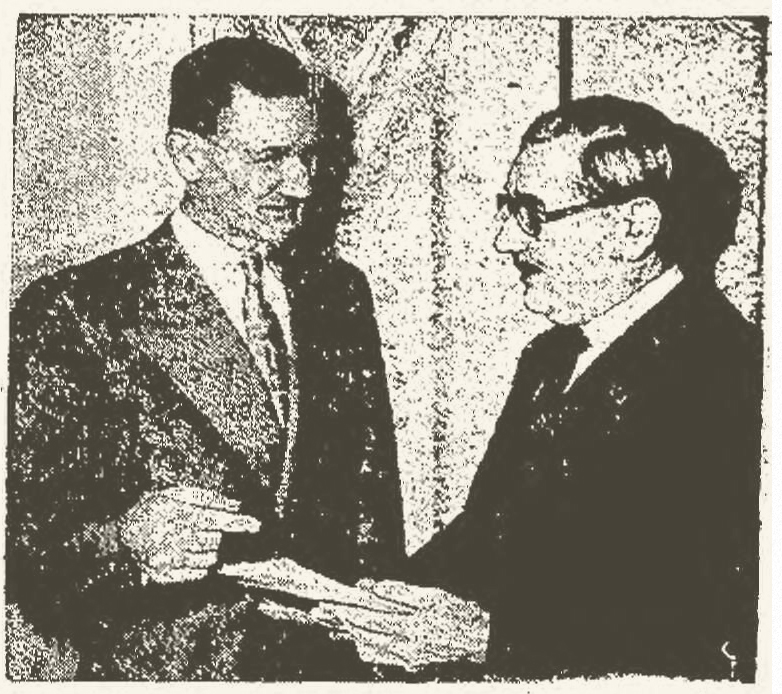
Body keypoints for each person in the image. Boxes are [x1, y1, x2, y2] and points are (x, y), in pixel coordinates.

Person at [318, 95, 763, 682]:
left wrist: (486, 638)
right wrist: (374, 601)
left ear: (634, 227)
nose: (505, 241)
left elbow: (713, 623)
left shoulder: (732, 374)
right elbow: (486, 534)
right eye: (508, 209)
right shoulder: (550, 358)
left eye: (531, 213)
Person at [7, 35, 404, 680]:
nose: (300, 185)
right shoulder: (74, 309)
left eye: (307, 156)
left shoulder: (339, 294)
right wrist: (129, 542)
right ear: (189, 157)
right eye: (270, 158)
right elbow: (24, 544)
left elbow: (371, 509)